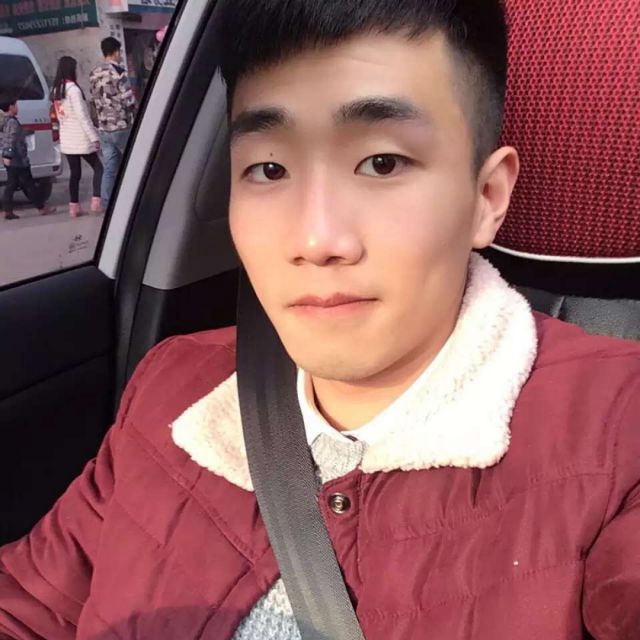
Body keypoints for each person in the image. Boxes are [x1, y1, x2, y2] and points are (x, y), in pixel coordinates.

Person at [1, 1, 640, 639]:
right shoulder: (171, 391)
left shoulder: (619, 433)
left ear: (486, 198)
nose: (315, 239)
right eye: (269, 169)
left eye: (382, 163)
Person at [51, 56, 103, 217]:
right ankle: (96, 201)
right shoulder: (73, 90)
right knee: (99, 168)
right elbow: (83, 116)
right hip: (81, 137)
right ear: (71, 69)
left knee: (75, 173)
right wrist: (94, 137)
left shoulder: (56, 90)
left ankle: (74, 207)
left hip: (67, 138)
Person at [89, 37, 136, 210]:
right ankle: (133, 198)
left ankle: (106, 203)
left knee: (109, 168)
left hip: (104, 128)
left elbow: (93, 99)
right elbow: (128, 99)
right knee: (132, 163)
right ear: (115, 51)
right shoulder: (119, 72)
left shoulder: (93, 73)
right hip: (121, 125)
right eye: (119, 51)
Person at [1, 99, 55, 220]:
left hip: (13, 158)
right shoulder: (12, 122)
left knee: (12, 184)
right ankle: (41, 207)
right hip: (18, 158)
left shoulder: (6, 120)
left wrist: (26, 131)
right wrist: (8, 155)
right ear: (11, 107)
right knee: (29, 184)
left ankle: (7, 210)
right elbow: (10, 138)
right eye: (16, 105)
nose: (18, 108)